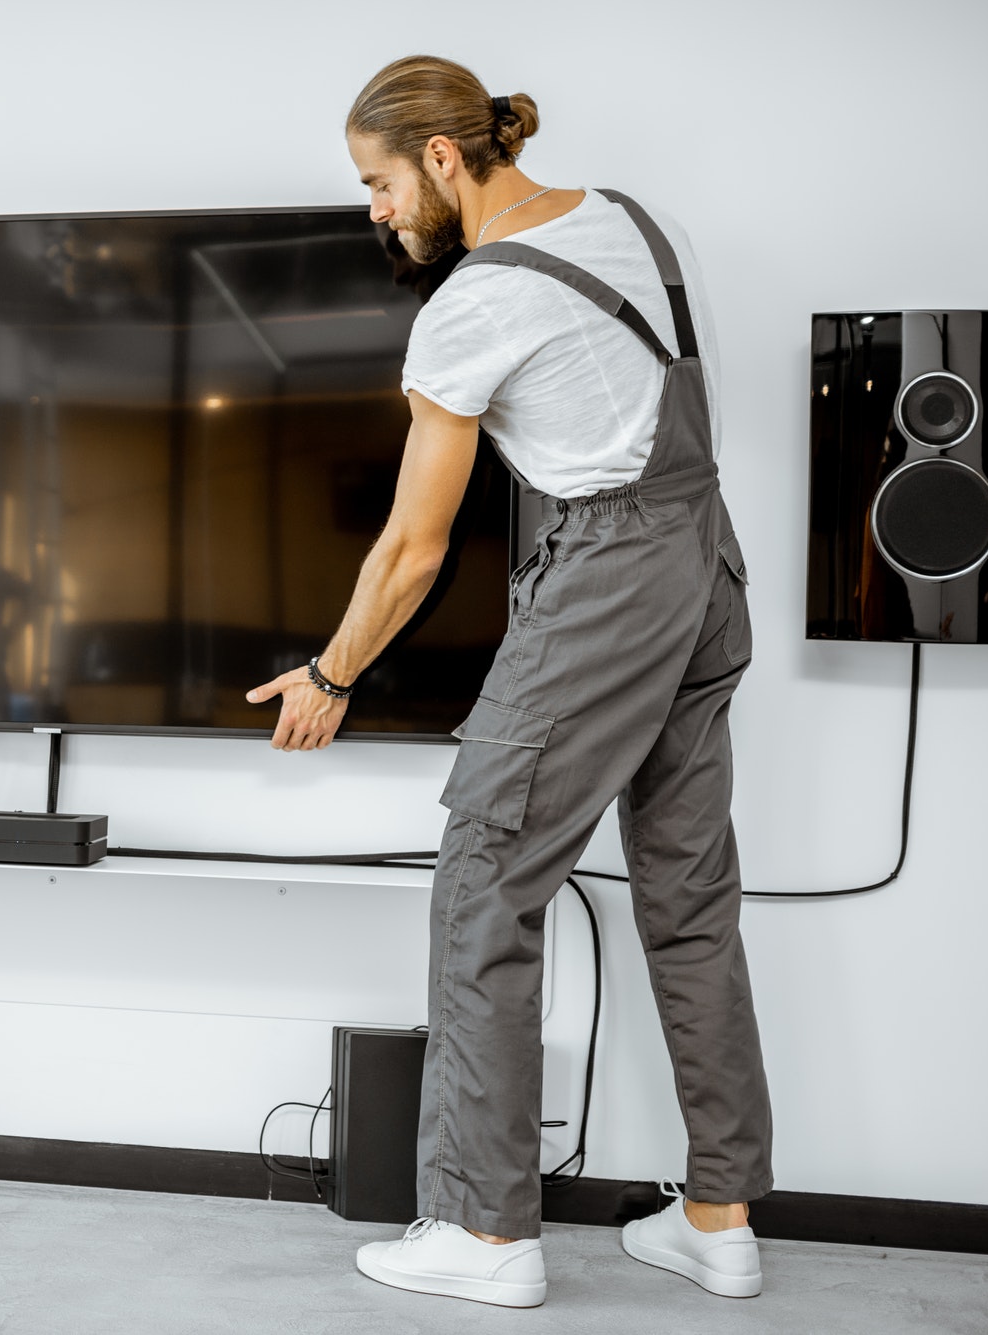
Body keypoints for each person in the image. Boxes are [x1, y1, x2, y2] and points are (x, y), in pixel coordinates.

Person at [248, 55, 772, 1306]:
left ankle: (484, 1236)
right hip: (706, 565)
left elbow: (412, 543)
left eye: (376, 181)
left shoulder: (472, 304)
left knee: (485, 883)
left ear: (439, 157)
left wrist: (330, 671)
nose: (372, 209)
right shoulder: (642, 220)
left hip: (606, 579)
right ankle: (718, 1219)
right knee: (689, 893)